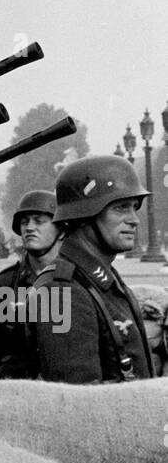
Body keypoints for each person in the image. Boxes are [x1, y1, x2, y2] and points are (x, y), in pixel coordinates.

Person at [30, 156, 153, 384]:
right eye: (121, 208)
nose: (134, 220)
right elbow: (78, 404)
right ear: (84, 215)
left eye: (134, 208)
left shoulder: (99, 278)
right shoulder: (61, 292)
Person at [0, 190, 62, 378]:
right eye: (24, 221)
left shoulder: (75, 279)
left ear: (62, 229)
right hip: (19, 385)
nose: (29, 227)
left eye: (39, 220)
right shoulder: (7, 282)